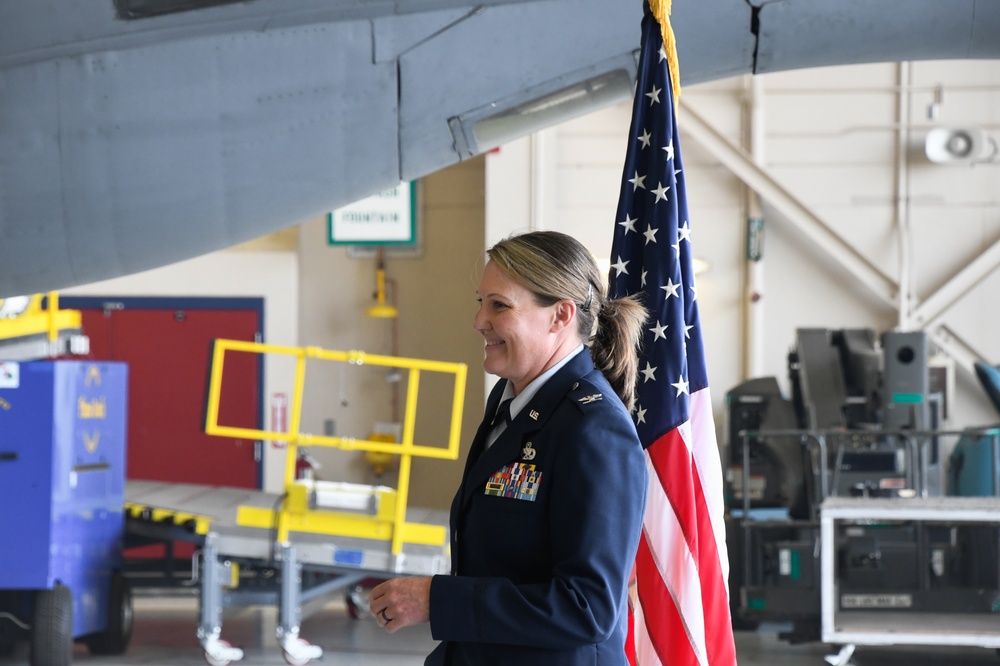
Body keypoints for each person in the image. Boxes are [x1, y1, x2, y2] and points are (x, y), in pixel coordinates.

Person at [369, 230, 649, 665]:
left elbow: (587, 608)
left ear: (560, 315)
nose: (479, 320)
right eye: (480, 302)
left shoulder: (593, 429)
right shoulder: (512, 400)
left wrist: (439, 600)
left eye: (499, 305)